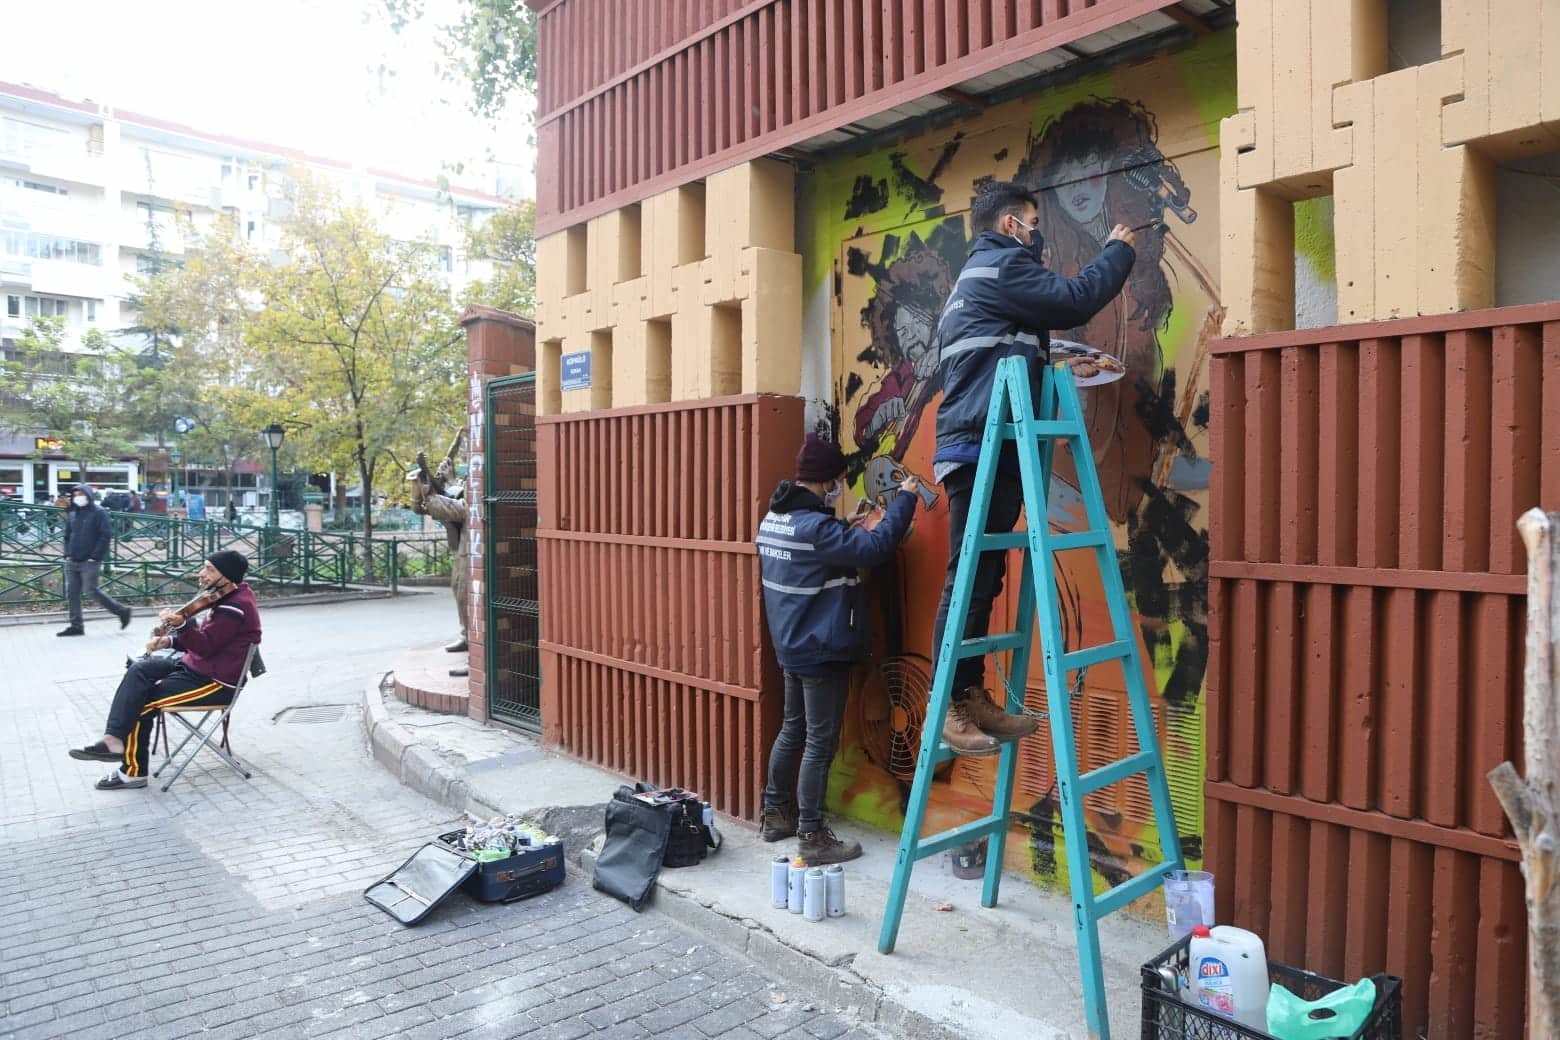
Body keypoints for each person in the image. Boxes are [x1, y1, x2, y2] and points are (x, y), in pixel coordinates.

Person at [929, 180, 1136, 756]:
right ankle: (948, 704)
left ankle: (969, 695)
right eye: (1032, 220)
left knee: (985, 578)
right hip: (978, 445)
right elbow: (1074, 299)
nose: (1037, 230)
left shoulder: (985, 275)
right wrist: (1118, 250)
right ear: (1008, 225)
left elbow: (1004, 346)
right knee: (968, 579)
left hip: (989, 441)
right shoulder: (1000, 268)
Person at [757, 433, 919, 864]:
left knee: (793, 729)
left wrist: (841, 527)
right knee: (819, 743)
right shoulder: (816, 529)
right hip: (820, 648)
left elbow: (816, 554)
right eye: (837, 480)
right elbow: (875, 549)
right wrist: (904, 500)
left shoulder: (775, 519)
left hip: (790, 644)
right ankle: (812, 835)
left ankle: (776, 813)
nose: (839, 486)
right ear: (827, 479)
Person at [68, 550, 261, 791]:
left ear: (227, 575)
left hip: (214, 683)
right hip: (195, 667)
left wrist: (182, 625)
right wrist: (168, 642)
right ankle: (113, 739)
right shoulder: (225, 597)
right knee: (139, 670)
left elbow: (206, 646)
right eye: (204, 567)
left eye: (210, 569)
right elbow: (205, 641)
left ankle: (133, 773)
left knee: (142, 701)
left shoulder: (234, 607)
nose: (202, 573)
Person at [58, 485, 132, 636]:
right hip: (72, 559)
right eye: (75, 494)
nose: (77, 496)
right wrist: (66, 553)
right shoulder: (73, 513)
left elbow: (105, 535)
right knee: (72, 593)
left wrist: (95, 556)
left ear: (88, 495)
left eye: (80, 493)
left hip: (89, 560)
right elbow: (67, 535)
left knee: (91, 590)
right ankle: (76, 626)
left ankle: (122, 611)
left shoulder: (99, 512)